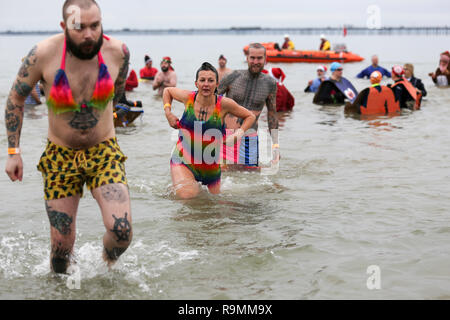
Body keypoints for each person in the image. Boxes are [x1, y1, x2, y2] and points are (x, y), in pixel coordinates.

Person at [5, 0, 133, 274]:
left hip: (104, 152)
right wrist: (13, 152)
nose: (89, 34)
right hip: (59, 156)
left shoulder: (119, 53)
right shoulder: (42, 54)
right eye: (79, 27)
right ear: (64, 27)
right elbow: (16, 98)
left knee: (121, 233)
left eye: (95, 26)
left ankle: (104, 271)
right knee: (61, 253)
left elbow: (118, 94)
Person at [163, 62, 255, 199]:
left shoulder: (224, 104)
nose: (206, 84)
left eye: (211, 80)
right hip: (183, 160)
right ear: (196, 84)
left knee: (213, 207)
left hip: (210, 168)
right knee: (188, 196)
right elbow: (167, 91)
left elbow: (250, 116)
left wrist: (237, 135)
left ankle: (177, 187)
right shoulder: (188, 98)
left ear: (217, 84)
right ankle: (183, 186)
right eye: (202, 80)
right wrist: (168, 113)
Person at [218, 43, 280, 169]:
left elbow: (272, 114)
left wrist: (275, 145)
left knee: (250, 178)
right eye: (252, 58)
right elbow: (210, 102)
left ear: (265, 59)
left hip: (249, 137)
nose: (255, 61)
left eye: (259, 58)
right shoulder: (232, 77)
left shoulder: (270, 84)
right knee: (223, 176)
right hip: (227, 135)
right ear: (247, 58)